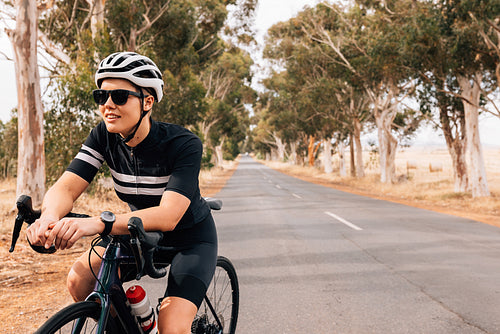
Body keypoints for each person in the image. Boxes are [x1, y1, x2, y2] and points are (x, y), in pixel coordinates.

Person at [26, 52, 217, 334]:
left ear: (147, 102)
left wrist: (97, 223)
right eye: (101, 96)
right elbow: (67, 186)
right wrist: (48, 217)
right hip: (137, 236)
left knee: (172, 328)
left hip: (189, 241)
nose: (108, 105)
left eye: (119, 96)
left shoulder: (183, 143)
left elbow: (169, 216)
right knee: (79, 279)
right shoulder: (103, 136)